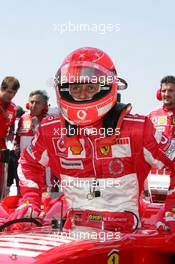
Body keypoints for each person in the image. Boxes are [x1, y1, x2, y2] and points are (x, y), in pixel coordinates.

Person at [7, 48, 175, 232]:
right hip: (73, 231)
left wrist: (170, 211)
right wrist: (29, 201)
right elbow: (28, 163)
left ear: (107, 86)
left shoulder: (139, 127)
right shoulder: (51, 129)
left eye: (91, 87)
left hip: (126, 233)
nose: (82, 94)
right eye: (75, 88)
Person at [148, 75, 175, 229]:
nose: (166, 94)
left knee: (171, 220)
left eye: (171, 90)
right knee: (156, 217)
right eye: (164, 90)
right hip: (158, 176)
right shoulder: (152, 116)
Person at [0, 76, 20, 200]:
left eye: (13, 93)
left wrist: (11, 133)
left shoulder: (13, 108)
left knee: (2, 178)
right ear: (2, 88)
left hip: (2, 146)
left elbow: (11, 128)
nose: (11, 95)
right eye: (8, 92)